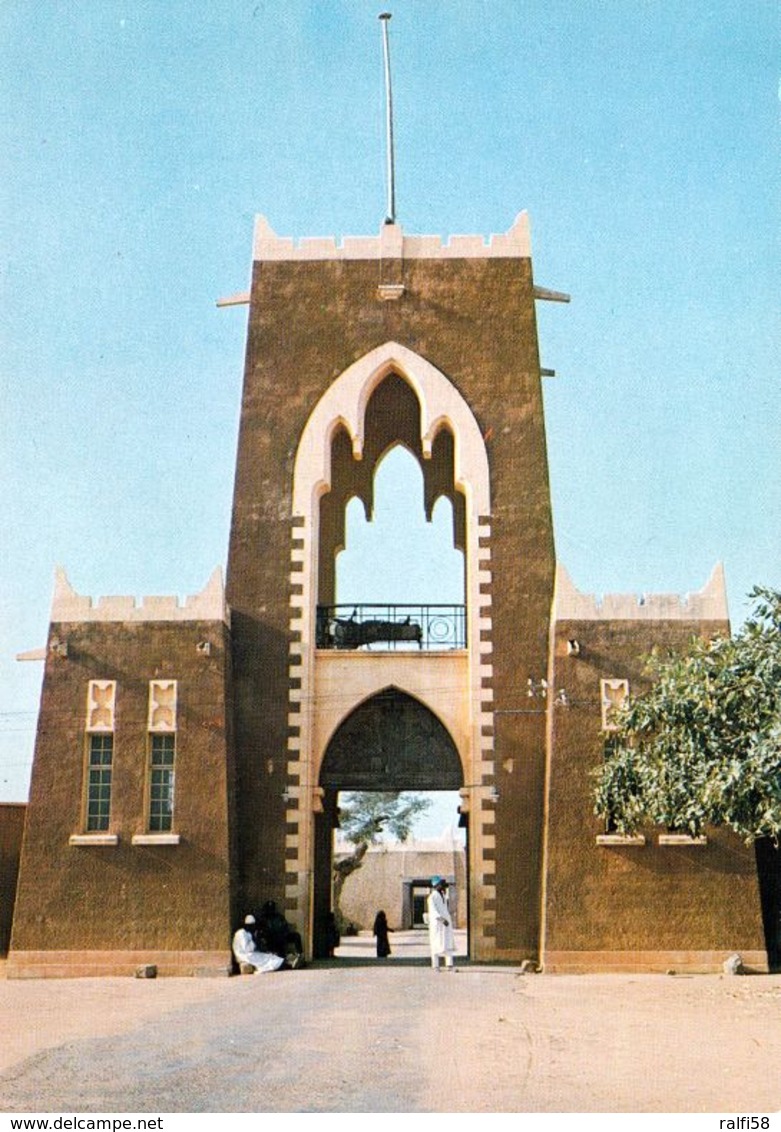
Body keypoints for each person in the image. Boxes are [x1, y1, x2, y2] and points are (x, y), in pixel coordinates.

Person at [257, 899, 304, 966]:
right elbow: (261, 931)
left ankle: (299, 955)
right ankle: (286, 962)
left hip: (282, 935)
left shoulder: (279, 917)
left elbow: (285, 926)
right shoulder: (263, 919)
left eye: (272, 908)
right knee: (279, 949)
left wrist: (284, 933)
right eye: (269, 908)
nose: (271, 910)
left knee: (296, 936)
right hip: (271, 939)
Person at [426, 876, 456, 971]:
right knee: (436, 944)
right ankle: (436, 966)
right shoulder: (432, 897)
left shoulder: (442, 895)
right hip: (438, 924)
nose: (441, 885)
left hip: (446, 923)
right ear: (436, 885)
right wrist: (442, 920)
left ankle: (450, 965)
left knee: (448, 943)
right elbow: (433, 911)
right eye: (440, 884)